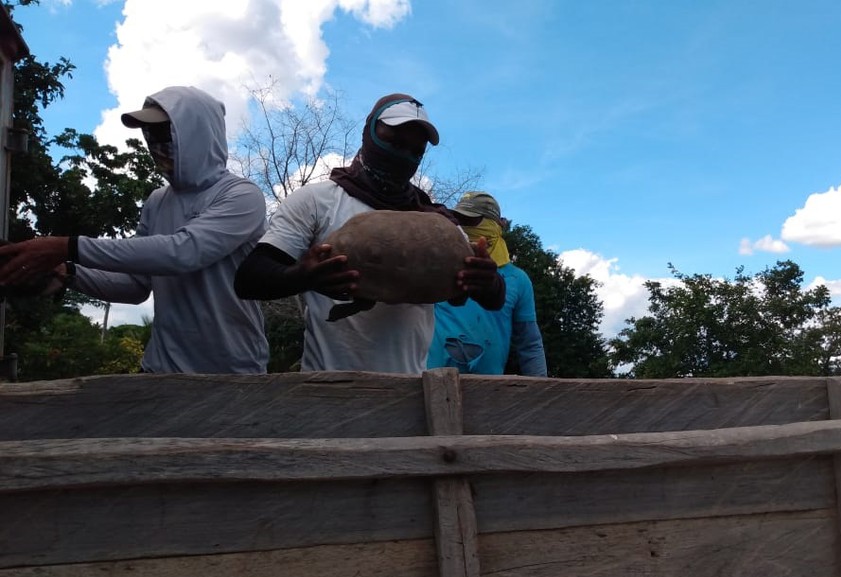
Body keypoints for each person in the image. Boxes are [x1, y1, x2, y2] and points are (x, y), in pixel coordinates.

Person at [0, 85, 269, 374]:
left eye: (164, 132)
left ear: (196, 133)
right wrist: (66, 273)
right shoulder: (157, 201)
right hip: (160, 369)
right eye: (148, 134)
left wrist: (67, 246)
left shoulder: (241, 195)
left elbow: (184, 252)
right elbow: (136, 286)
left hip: (232, 372)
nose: (154, 143)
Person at [234, 93, 505, 374]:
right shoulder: (317, 202)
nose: (403, 155)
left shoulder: (436, 224)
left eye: (415, 151)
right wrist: (303, 276)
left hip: (411, 394)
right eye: (394, 141)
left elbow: (495, 299)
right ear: (369, 130)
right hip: (325, 391)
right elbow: (249, 279)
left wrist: (487, 282)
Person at [428, 191, 547, 376]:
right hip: (431, 384)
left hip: (489, 393)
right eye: (459, 219)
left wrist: (541, 394)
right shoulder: (438, 267)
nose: (464, 226)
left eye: (471, 220)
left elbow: (529, 344)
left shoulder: (518, 280)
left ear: (493, 225)